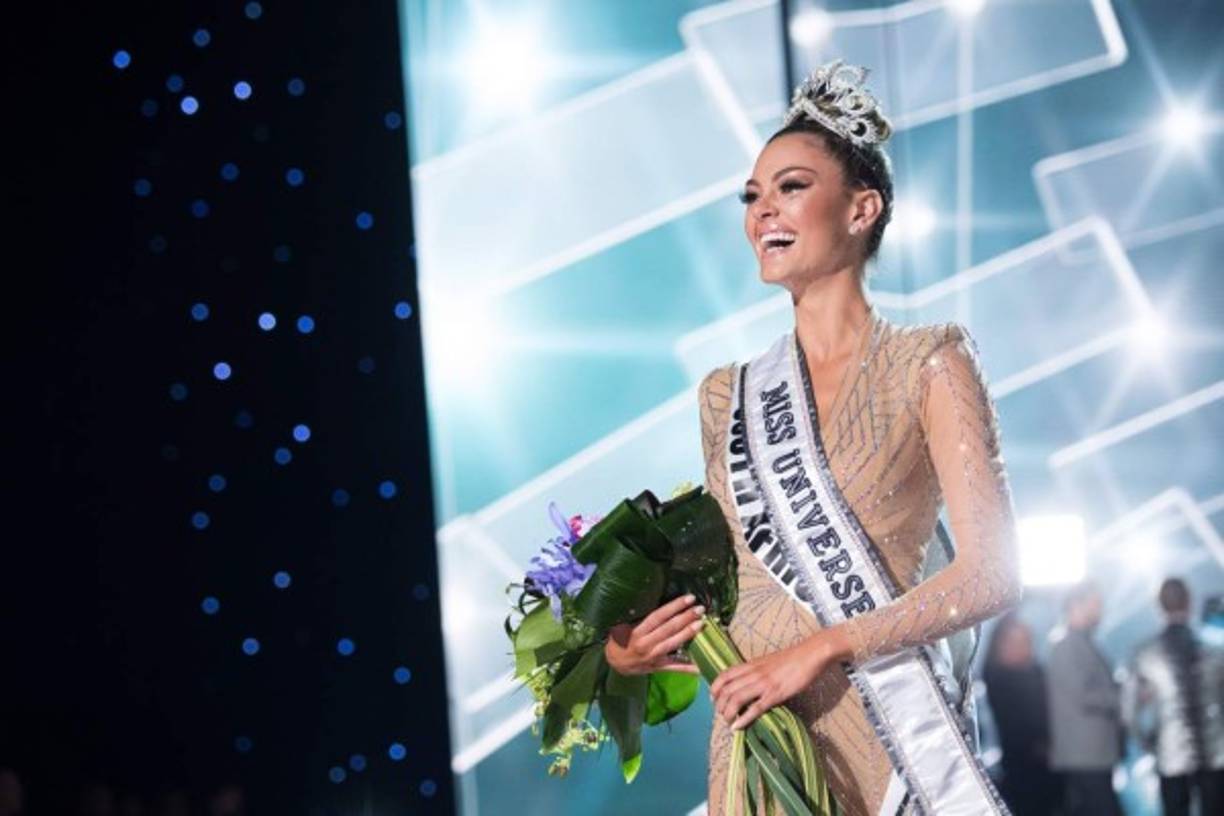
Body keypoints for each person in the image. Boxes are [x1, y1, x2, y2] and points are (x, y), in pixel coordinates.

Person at [605, 59, 1022, 815]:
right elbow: (740, 586)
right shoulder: (726, 395)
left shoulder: (929, 362)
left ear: (862, 209)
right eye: (752, 196)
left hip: (888, 738)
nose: (763, 210)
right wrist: (628, 648)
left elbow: (992, 574)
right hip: (760, 744)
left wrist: (821, 648)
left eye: (791, 187)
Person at [1122, 578, 1224, 816]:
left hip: (1170, 754)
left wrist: (1148, 744)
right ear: (1189, 602)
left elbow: (1129, 711)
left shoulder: (1144, 655)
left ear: (1159, 606)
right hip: (1216, 753)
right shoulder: (1215, 651)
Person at [1046, 581, 1123, 816]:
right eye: (1095, 604)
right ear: (1076, 605)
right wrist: (1122, 696)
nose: (1100, 610)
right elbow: (1083, 694)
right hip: (1084, 756)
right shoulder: (1066, 645)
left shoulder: (1084, 643)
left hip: (1093, 754)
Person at [983, 612, 1060, 816]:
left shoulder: (1035, 673)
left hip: (1052, 766)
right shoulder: (1000, 680)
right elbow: (1018, 725)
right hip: (1024, 771)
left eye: (1025, 641)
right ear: (1000, 647)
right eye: (1014, 642)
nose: (1022, 647)